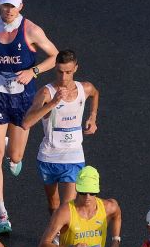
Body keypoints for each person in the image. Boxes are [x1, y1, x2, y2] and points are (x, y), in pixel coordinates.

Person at [0, 0, 59, 234]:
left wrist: (32, 71)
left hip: (24, 100)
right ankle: (2, 213)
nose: (8, 10)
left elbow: (54, 56)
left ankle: (14, 149)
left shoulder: (31, 30)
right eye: (5, 5)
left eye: (13, 6)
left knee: (16, 157)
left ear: (21, 7)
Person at [21, 49, 99, 211]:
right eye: (60, 72)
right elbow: (26, 123)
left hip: (74, 155)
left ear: (76, 68)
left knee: (67, 207)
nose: (64, 77)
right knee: (53, 204)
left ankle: (64, 236)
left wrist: (92, 117)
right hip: (49, 156)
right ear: (55, 67)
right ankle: (56, 234)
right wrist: (52, 103)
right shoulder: (46, 93)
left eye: (68, 72)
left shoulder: (84, 88)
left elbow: (95, 93)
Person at [37, 165, 121, 247]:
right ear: (77, 188)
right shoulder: (64, 213)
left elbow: (117, 215)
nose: (87, 197)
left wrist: (115, 242)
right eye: (83, 192)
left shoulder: (109, 207)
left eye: (92, 193)